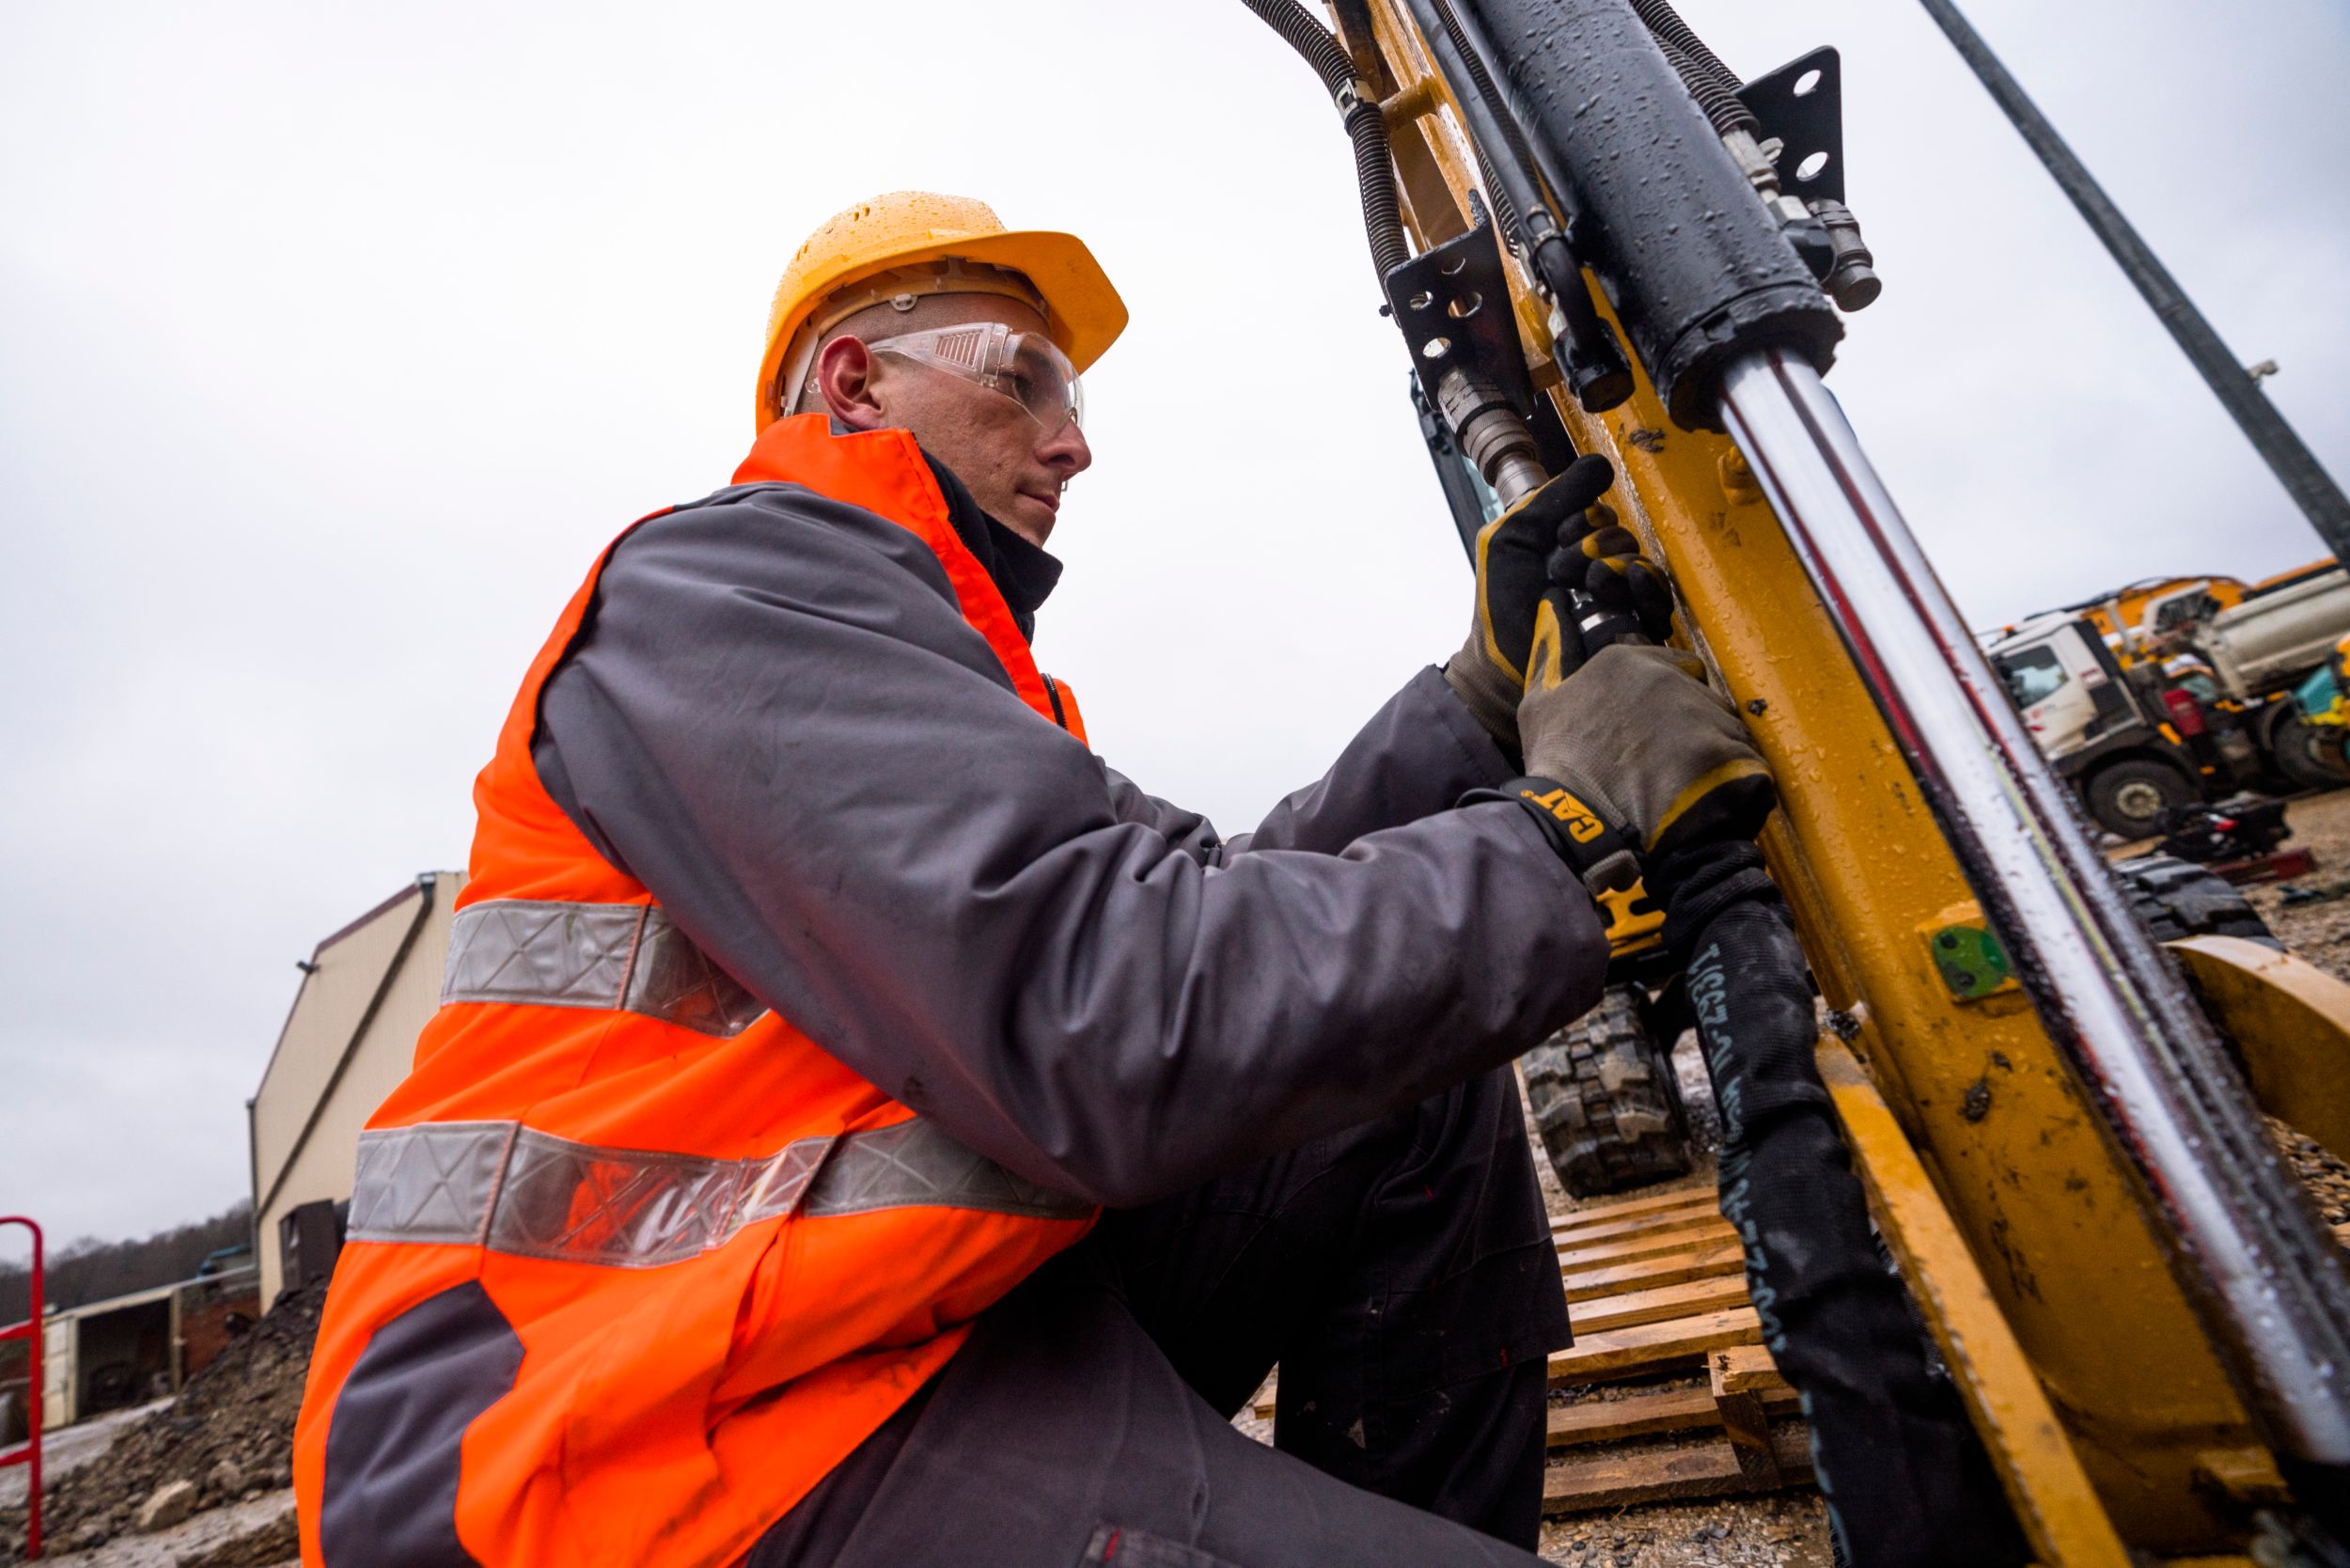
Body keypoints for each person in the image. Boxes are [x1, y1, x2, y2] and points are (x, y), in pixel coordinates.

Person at [291, 192, 1770, 1568]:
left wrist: (1470, 712)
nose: (1073, 444)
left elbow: (1191, 915)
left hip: (870, 1333)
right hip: (616, 1436)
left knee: (1405, 1091)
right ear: (856, 384)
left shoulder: (928, 662)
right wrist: (1567, 841)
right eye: (1027, 379)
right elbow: (1106, 1011)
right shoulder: (726, 596)